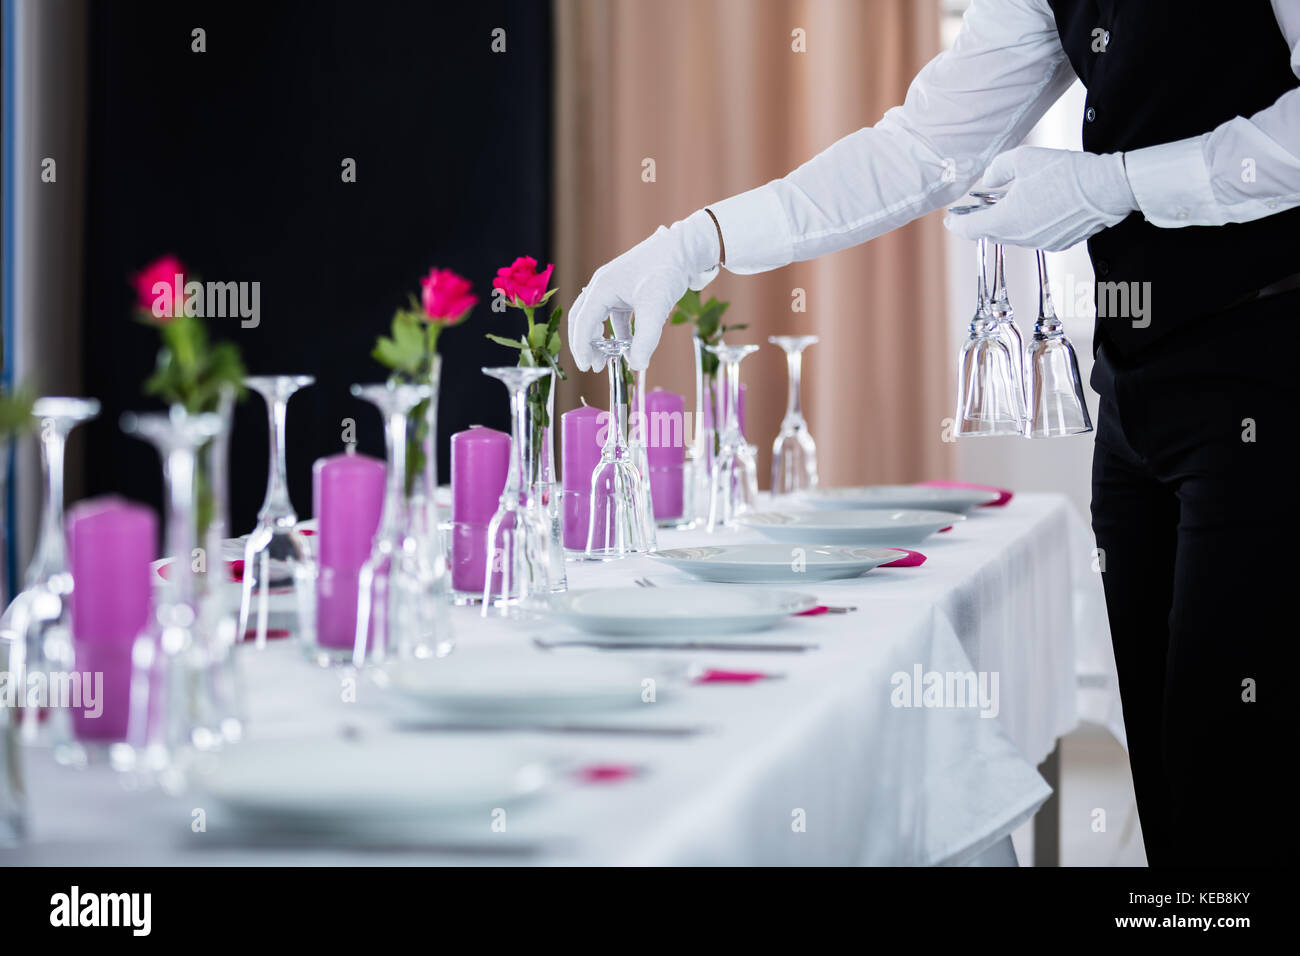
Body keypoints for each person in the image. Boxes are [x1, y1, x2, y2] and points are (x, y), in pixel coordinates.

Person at [568, 0, 1299, 867]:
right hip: (1135, 402)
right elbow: (919, 151)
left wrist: (1115, 185)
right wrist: (695, 243)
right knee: (1175, 813)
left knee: (1235, 803)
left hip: (1271, 378)